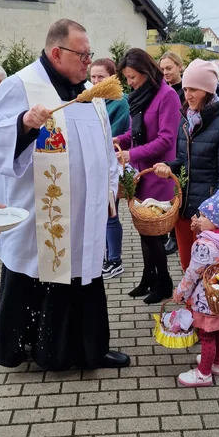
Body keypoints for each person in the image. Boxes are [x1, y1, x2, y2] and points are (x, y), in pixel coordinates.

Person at [0, 19, 129, 371]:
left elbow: (106, 149)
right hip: (41, 214)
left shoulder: (91, 94)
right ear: (56, 52)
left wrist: (109, 191)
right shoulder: (21, 86)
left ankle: (91, 349)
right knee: (39, 273)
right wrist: (24, 123)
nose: (88, 62)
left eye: (90, 54)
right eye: (83, 54)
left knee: (85, 276)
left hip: (86, 211)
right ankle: (35, 350)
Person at [154, 58, 219, 271]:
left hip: (207, 216)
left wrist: (210, 215)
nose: (188, 95)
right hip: (184, 210)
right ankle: (191, 306)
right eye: (185, 89)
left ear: (209, 90)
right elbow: (184, 161)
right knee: (188, 268)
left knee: (209, 272)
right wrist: (169, 166)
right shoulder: (186, 120)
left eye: (194, 89)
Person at [115, 48, 181, 305]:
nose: (129, 82)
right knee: (144, 232)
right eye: (127, 78)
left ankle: (163, 283)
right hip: (140, 175)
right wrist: (117, 140)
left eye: (132, 77)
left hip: (158, 174)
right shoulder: (139, 96)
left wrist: (130, 155)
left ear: (145, 71)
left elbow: (166, 140)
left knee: (154, 235)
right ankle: (147, 278)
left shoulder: (168, 96)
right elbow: (133, 133)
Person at [173, 190, 219, 387]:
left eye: (204, 216)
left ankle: (203, 373)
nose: (200, 218)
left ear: (217, 221)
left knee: (206, 335)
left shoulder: (204, 245)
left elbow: (192, 273)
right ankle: (216, 365)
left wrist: (179, 293)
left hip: (206, 299)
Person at [91, 57, 130, 279]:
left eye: (101, 77)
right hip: (93, 166)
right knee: (99, 214)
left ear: (112, 78)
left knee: (110, 212)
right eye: (93, 76)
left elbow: (109, 135)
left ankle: (115, 260)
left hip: (109, 165)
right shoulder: (91, 99)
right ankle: (104, 256)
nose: (96, 81)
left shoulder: (118, 101)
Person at [159, 51, 184, 257]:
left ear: (180, 67)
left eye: (169, 68)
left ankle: (176, 237)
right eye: (163, 69)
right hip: (169, 147)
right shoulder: (163, 91)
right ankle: (169, 232)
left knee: (179, 191)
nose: (166, 72)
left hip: (182, 146)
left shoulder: (185, 91)